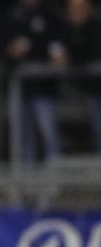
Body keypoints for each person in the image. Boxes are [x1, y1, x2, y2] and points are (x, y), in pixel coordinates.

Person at [6, 0, 67, 164]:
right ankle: (26, 184)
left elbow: (58, 48)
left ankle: (54, 183)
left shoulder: (50, 13)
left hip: (44, 88)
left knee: (50, 136)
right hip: (21, 89)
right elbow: (6, 46)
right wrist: (12, 50)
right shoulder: (15, 13)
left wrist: (57, 56)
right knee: (23, 137)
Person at [62, 0, 101, 152]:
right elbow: (73, 54)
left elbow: (92, 51)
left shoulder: (96, 27)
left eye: (81, 7)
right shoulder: (68, 28)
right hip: (85, 87)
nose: (78, 12)